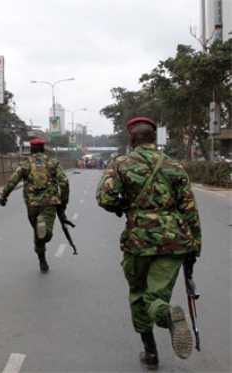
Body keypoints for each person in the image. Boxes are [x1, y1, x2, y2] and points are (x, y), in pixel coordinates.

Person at [96, 117, 201, 369]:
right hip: (175, 241)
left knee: (138, 295)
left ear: (132, 140)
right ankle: (166, 313)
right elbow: (189, 210)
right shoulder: (175, 165)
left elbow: (104, 197)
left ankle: (151, 352)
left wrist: (126, 207)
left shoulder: (120, 163)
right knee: (157, 296)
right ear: (154, 138)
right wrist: (194, 247)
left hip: (138, 241)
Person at [0, 138, 69, 273]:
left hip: (32, 204)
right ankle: (45, 233)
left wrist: (3, 196)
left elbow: (13, 181)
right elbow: (64, 182)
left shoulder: (25, 163)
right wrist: (63, 202)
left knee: (37, 233)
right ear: (43, 148)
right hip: (49, 203)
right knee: (44, 233)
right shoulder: (52, 162)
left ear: (31, 149)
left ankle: (42, 260)